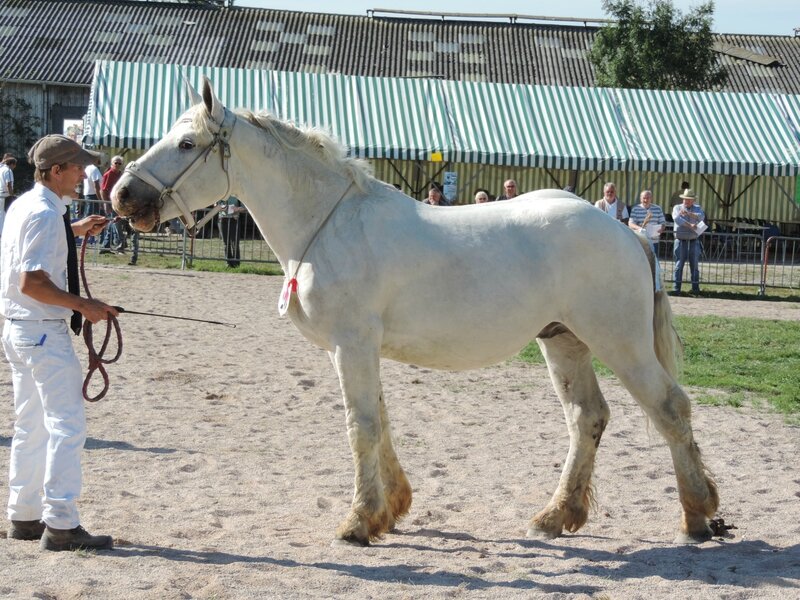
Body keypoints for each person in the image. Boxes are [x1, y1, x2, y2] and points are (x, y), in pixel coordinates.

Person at [1, 134, 118, 551]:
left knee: (31, 425)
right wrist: (84, 305)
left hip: (20, 329)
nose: (82, 173)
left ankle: (24, 514)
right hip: (43, 330)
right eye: (76, 167)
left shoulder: (27, 207)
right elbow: (32, 281)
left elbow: (28, 255)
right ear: (55, 171)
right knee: (67, 427)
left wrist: (75, 229)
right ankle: (62, 522)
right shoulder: (44, 214)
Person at [629, 190, 666, 291]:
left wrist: (661, 228)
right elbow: (630, 223)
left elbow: (663, 223)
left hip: (654, 241)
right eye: (644, 198)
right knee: (639, 263)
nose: (646, 200)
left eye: (648, 198)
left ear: (651, 198)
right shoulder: (635, 209)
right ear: (641, 198)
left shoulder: (657, 209)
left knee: (654, 265)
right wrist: (639, 228)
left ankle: (654, 286)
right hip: (640, 241)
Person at [672, 188, 706, 295]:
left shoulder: (698, 208)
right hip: (680, 240)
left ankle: (695, 289)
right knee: (678, 266)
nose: (687, 201)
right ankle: (676, 289)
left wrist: (689, 214)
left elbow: (701, 217)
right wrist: (690, 225)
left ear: (693, 200)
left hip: (693, 240)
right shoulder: (677, 207)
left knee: (694, 266)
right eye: (685, 199)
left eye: (689, 199)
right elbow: (677, 219)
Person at [99, 155, 125, 253]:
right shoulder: (108, 174)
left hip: (119, 203)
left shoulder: (121, 175)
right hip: (111, 202)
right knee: (116, 223)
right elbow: (103, 190)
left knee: (112, 224)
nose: (117, 165)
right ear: (112, 164)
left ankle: (105, 247)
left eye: (119, 163)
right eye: (116, 163)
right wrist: (106, 204)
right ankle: (121, 244)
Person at [217, 196, 246, 268]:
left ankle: (236, 264)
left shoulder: (237, 196)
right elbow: (216, 206)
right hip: (223, 219)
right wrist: (222, 207)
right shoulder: (221, 194)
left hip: (234, 220)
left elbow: (245, 208)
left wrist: (237, 209)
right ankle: (228, 264)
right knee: (226, 243)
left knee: (235, 243)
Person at [0, 153, 17, 234]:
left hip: (0, 195)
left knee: (1, 215)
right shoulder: (8, 170)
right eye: (14, 165)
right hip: (6, 196)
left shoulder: (1, 169)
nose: (15, 167)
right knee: (9, 214)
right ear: (12, 164)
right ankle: (4, 232)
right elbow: (8, 184)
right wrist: (12, 196)